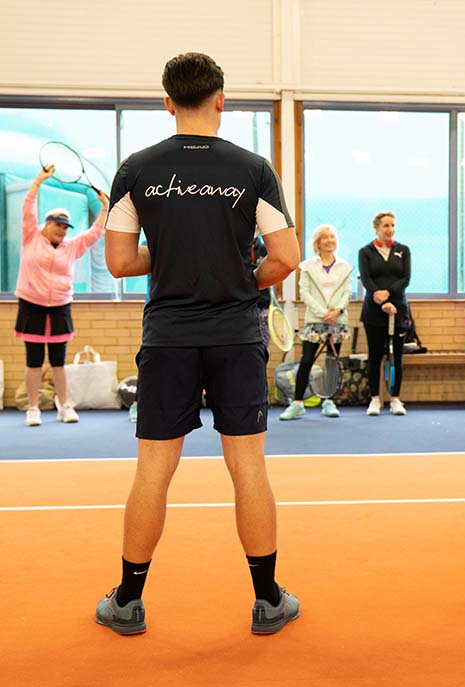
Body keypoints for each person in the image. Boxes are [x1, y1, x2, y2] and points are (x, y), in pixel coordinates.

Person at [98, 52, 301, 635]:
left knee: (153, 471)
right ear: (221, 100)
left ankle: (127, 602)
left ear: (167, 102)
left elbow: (119, 263)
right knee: (248, 468)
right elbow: (286, 257)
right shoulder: (253, 168)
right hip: (236, 336)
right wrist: (238, 274)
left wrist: (170, 254)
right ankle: (268, 601)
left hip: (168, 340)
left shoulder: (136, 168)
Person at [14, 165, 109, 427]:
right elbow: (27, 208)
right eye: (58, 225)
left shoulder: (71, 247)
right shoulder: (31, 237)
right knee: (34, 361)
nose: (62, 230)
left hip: (60, 305)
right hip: (31, 304)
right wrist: (38, 181)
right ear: (46, 224)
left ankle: (65, 406)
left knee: (58, 361)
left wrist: (104, 208)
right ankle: (33, 409)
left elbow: (94, 235)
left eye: (66, 227)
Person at [281, 224, 351, 420]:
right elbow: (304, 293)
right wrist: (323, 313)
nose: (330, 240)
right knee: (306, 361)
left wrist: (337, 311)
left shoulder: (344, 267)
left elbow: (347, 293)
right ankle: (297, 404)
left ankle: (329, 402)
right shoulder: (307, 266)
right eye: (325, 237)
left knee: (332, 362)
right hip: (315, 320)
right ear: (317, 243)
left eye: (332, 237)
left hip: (337, 320)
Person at [358, 211, 411, 416]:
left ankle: (395, 398)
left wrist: (388, 294)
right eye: (386, 226)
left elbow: (405, 279)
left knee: (396, 356)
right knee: (375, 356)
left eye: (392, 225)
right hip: (374, 311)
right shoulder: (365, 252)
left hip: (398, 310)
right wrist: (380, 298)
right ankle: (375, 399)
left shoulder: (403, 250)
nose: (390, 229)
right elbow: (366, 279)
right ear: (376, 228)